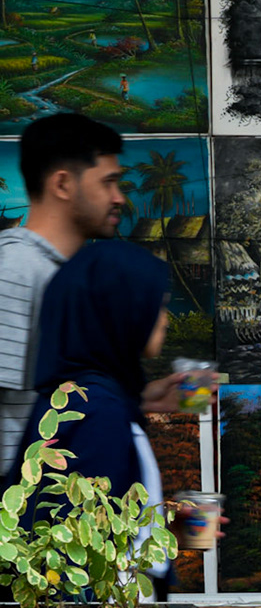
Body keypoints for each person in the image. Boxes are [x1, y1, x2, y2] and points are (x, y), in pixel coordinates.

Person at [2, 244, 183, 582]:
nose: (164, 320)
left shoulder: (81, 400)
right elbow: (76, 557)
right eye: (157, 306)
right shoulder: (96, 412)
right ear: (121, 311)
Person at [0, 114, 126, 470]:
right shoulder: (14, 269)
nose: (119, 198)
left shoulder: (63, 274)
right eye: (108, 183)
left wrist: (147, 399)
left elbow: (59, 398)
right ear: (63, 184)